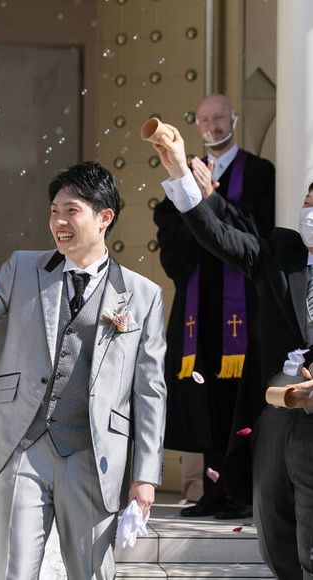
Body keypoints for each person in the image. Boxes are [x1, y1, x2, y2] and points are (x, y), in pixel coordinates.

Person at [0, 161, 167, 580]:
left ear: (104, 217)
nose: (59, 222)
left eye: (71, 211)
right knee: (12, 572)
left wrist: (145, 475)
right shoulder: (23, 269)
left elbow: (150, 391)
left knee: (91, 573)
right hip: (20, 445)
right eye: (54, 211)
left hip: (93, 454)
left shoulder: (142, 294)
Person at [156, 127, 313, 580]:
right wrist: (179, 172)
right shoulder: (278, 252)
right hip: (274, 415)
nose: (309, 211)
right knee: (274, 526)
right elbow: (217, 234)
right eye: (308, 201)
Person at [153, 94, 275, 518]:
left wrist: (212, 201)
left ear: (234, 120)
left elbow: (259, 233)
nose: (212, 126)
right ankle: (212, 490)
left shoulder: (259, 173)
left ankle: (242, 492)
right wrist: (189, 193)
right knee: (202, 396)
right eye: (204, 119)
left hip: (241, 308)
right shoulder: (182, 173)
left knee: (238, 398)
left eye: (219, 117)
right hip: (198, 305)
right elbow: (171, 245)